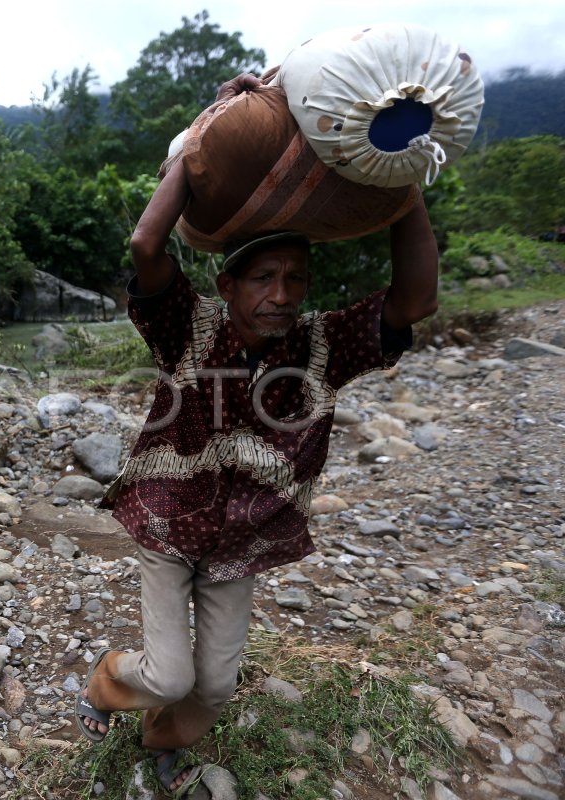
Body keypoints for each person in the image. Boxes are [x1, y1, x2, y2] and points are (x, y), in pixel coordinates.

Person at [73, 73, 440, 795]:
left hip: (244, 541)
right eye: (264, 278)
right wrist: (201, 138)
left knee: (212, 686)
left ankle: (160, 747)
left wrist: (405, 184)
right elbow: (149, 245)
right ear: (228, 287)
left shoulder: (321, 347)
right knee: (168, 671)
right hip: (169, 524)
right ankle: (102, 689)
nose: (281, 295)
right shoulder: (189, 328)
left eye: (296, 279)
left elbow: (413, 300)